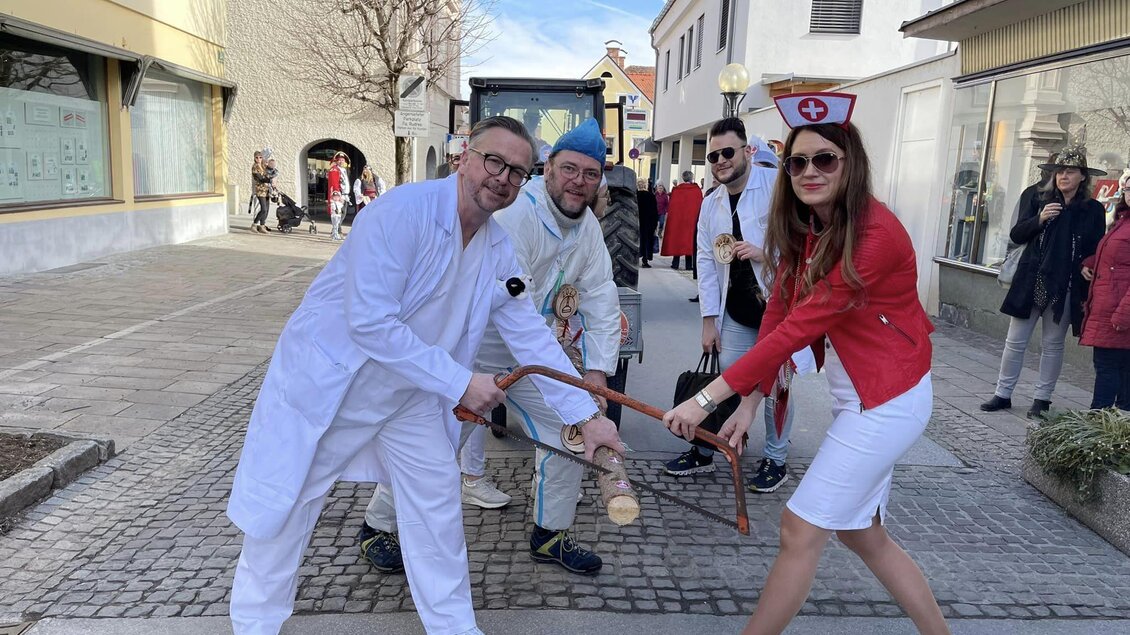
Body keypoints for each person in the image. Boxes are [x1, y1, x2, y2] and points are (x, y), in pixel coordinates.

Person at [226, 116, 623, 635]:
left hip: (410, 393)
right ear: (464, 158)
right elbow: (369, 322)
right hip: (337, 388)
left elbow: (530, 335)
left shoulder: (496, 247)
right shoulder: (400, 212)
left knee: (436, 506)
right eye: (494, 161)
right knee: (288, 508)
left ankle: (454, 627)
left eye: (516, 172)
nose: (502, 178)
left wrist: (587, 416)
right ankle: (254, 625)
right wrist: (461, 383)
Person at [663, 93, 949, 635]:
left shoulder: (875, 234)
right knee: (863, 534)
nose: (809, 171)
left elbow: (802, 325)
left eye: (825, 159)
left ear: (851, 163)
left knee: (798, 528)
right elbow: (778, 312)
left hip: (888, 400)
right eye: (797, 162)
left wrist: (706, 398)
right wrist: (748, 404)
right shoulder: (809, 224)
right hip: (859, 395)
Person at [358, 117, 623, 577]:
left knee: (572, 428)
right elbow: (507, 311)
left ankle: (551, 533)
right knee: (434, 440)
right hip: (474, 350)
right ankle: (378, 526)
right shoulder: (516, 215)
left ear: (600, 181)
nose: (578, 181)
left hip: (532, 352)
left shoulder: (589, 230)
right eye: (569, 169)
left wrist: (595, 376)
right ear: (547, 168)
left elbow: (600, 295)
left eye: (590, 174)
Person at [663, 119, 813, 494]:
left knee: (776, 386)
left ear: (747, 151)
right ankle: (713, 444)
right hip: (737, 313)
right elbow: (705, 263)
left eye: (727, 152)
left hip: (779, 309)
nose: (720, 161)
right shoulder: (711, 203)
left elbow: (806, 244)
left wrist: (766, 255)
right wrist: (708, 320)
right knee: (729, 379)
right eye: (713, 156)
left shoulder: (778, 187)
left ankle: (775, 458)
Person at [980, 146, 1107, 419]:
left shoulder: (1092, 209)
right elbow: (1017, 234)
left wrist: (1088, 264)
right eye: (1059, 171)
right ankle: (1003, 393)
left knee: (1053, 344)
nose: (1063, 176)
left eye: (1070, 171)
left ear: (1082, 177)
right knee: (1015, 341)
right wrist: (1040, 218)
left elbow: (1096, 247)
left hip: (1065, 285)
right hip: (1032, 280)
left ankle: (1042, 399)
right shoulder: (1036, 197)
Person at [1080, 175, 1130, 410]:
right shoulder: (1123, 220)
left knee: (1108, 370)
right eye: (1128, 189)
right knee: (1119, 371)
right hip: (1108, 308)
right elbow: (1117, 257)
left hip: (1118, 313)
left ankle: (1099, 424)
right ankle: (1116, 425)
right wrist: (1091, 262)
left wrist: (1124, 314)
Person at [662, 170, 703, 271]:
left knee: (678, 239)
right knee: (690, 241)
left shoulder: (677, 190)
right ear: (692, 178)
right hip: (691, 220)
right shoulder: (696, 190)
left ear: (683, 178)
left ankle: (675, 263)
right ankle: (689, 265)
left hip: (679, 220)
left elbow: (673, 206)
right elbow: (700, 205)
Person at [327, 151, 349, 241]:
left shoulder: (343, 170)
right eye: (339, 160)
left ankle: (336, 231)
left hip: (345, 195)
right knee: (337, 214)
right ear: (336, 161)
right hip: (339, 196)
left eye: (342, 160)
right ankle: (336, 232)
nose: (341, 161)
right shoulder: (334, 170)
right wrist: (337, 197)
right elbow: (334, 184)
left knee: (343, 213)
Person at [637, 178, 659, 268]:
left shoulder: (635, 195)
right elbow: (655, 211)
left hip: (637, 221)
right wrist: (655, 223)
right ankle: (645, 260)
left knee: (638, 240)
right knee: (647, 240)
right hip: (649, 222)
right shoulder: (651, 196)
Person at [251, 151, 272, 234]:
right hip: (260, 190)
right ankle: (254, 224)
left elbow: (268, 174)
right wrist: (269, 180)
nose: (258, 159)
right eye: (256, 157)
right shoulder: (255, 167)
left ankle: (262, 226)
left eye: (260, 157)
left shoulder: (263, 166)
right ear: (254, 158)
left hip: (266, 190)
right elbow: (260, 178)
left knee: (266, 210)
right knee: (263, 209)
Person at [655, 183, 670, 252]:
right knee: (654, 223)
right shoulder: (655, 195)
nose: (660, 189)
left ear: (663, 189)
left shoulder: (665, 196)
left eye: (661, 188)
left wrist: (666, 210)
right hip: (655, 211)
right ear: (657, 189)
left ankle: (659, 232)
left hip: (662, 212)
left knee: (661, 223)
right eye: (659, 188)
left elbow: (667, 204)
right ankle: (655, 232)